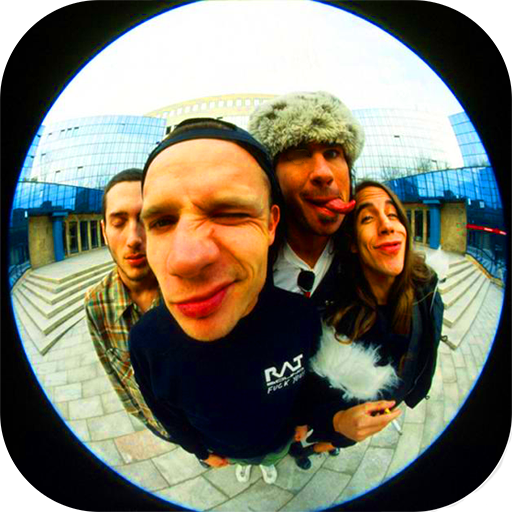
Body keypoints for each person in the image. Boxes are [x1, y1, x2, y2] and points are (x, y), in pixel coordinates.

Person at [129, 118, 324, 485]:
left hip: (280, 440)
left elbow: (309, 384)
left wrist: (303, 420)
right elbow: (164, 410)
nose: (184, 259)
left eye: (230, 213)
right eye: (162, 222)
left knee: (271, 454)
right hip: (222, 450)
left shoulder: (302, 318)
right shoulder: (146, 342)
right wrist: (199, 451)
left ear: (270, 224)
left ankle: (268, 461)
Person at [294, 181, 444, 469]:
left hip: (384, 408)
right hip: (337, 417)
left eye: (393, 214)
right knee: (330, 439)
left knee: (346, 441)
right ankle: (308, 451)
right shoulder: (332, 317)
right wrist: (336, 421)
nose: (387, 225)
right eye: (367, 219)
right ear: (352, 242)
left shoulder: (427, 287)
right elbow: (304, 390)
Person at [248, 91, 365, 315]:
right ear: (272, 175)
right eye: (300, 154)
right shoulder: (245, 270)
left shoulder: (370, 264)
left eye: (332, 153)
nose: (323, 173)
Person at [84, 169, 170, 441]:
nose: (133, 238)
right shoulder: (97, 304)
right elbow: (117, 380)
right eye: (119, 222)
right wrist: (150, 423)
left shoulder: (187, 288)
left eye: (145, 220)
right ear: (104, 231)